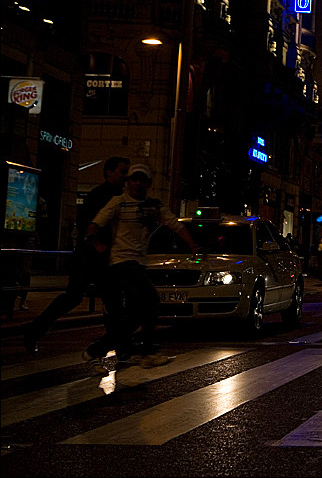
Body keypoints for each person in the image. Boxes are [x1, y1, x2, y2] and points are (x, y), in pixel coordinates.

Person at [82, 163, 196, 374]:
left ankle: (94, 350)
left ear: (148, 184)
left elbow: (175, 224)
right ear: (128, 182)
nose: (137, 183)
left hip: (139, 264)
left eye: (142, 180)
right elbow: (96, 223)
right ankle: (147, 352)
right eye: (134, 179)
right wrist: (95, 242)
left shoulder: (153, 207)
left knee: (134, 318)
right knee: (151, 298)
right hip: (122, 262)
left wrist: (192, 245)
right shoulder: (119, 203)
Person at [23, 157, 130, 354]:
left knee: (103, 300)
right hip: (92, 258)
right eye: (122, 172)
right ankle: (121, 347)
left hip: (100, 257)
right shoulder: (100, 196)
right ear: (109, 172)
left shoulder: (118, 196)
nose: (126, 176)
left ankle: (122, 347)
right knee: (102, 300)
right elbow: (84, 225)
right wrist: (97, 245)